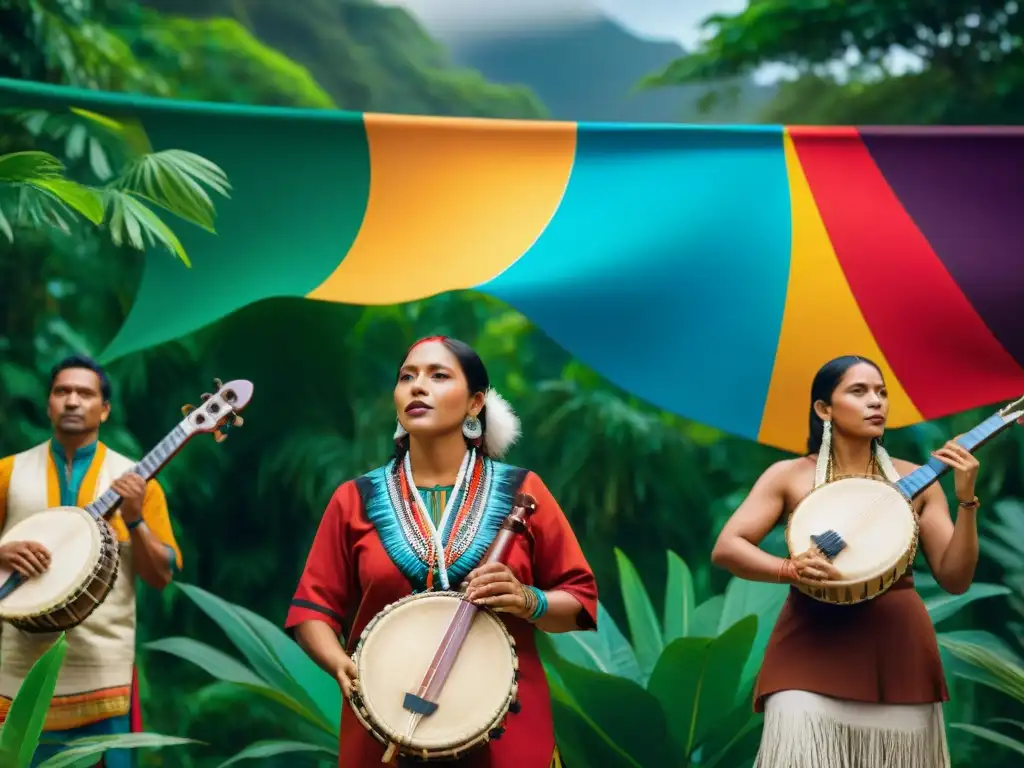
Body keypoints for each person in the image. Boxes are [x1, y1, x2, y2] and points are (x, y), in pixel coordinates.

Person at [285, 336, 598, 768]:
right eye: (406, 377)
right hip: (384, 725)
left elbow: (581, 599)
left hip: (505, 728)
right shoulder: (354, 499)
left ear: (475, 403)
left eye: (438, 376)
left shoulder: (523, 491)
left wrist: (529, 600)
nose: (417, 386)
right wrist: (340, 663)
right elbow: (312, 609)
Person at [711, 354, 1004, 768]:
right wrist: (787, 569)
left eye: (882, 393)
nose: (876, 402)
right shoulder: (789, 475)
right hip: (809, 648)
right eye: (859, 391)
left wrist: (966, 500)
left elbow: (955, 579)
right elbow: (728, 546)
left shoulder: (917, 478)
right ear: (824, 409)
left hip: (899, 653)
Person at [0, 355, 183, 768]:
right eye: (62, 391)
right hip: (16, 680)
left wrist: (134, 518)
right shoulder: (8, 474)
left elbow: (160, 576)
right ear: (48, 404)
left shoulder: (138, 482)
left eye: (85, 393)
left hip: (101, 687)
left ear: (104, 409)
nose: (72, 401)